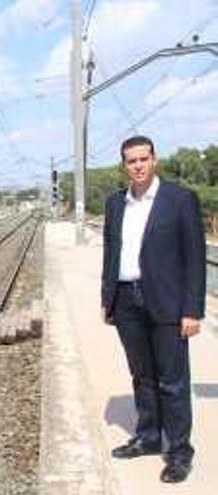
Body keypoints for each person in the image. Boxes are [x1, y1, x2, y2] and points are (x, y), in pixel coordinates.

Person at [101, 135, 205, 483]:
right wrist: (108, 298)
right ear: (124, 165)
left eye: (144, 159)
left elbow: (195, 259)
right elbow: (111, 253)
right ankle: (148, 437)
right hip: (126, 300)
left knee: (172, 382)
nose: (139, 166)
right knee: (142, 375)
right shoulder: (116, 204)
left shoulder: (179, 200)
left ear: (154, 159)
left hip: (168, 302)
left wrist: (193, 310)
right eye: (132, 161)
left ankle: (178, 452)